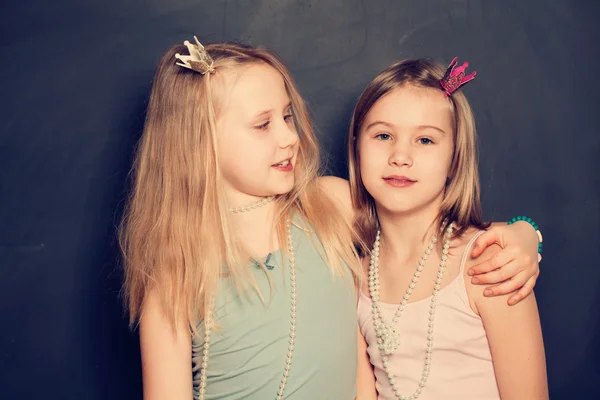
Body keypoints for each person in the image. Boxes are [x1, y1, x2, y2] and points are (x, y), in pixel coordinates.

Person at [120, 38, 542, 399]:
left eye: (287, 117)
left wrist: (525, 233)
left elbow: (415, 221)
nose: (290, 137)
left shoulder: (328, 206)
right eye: (262, 124)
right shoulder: (176, 269)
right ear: (200, 141)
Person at [352, 58, 548, 399]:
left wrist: (527, 233)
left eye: (425, 141)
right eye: (383, 135)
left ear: (454, 159)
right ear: (357, 145)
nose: (400, 155)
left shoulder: (489, 264)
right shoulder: (355, 275)